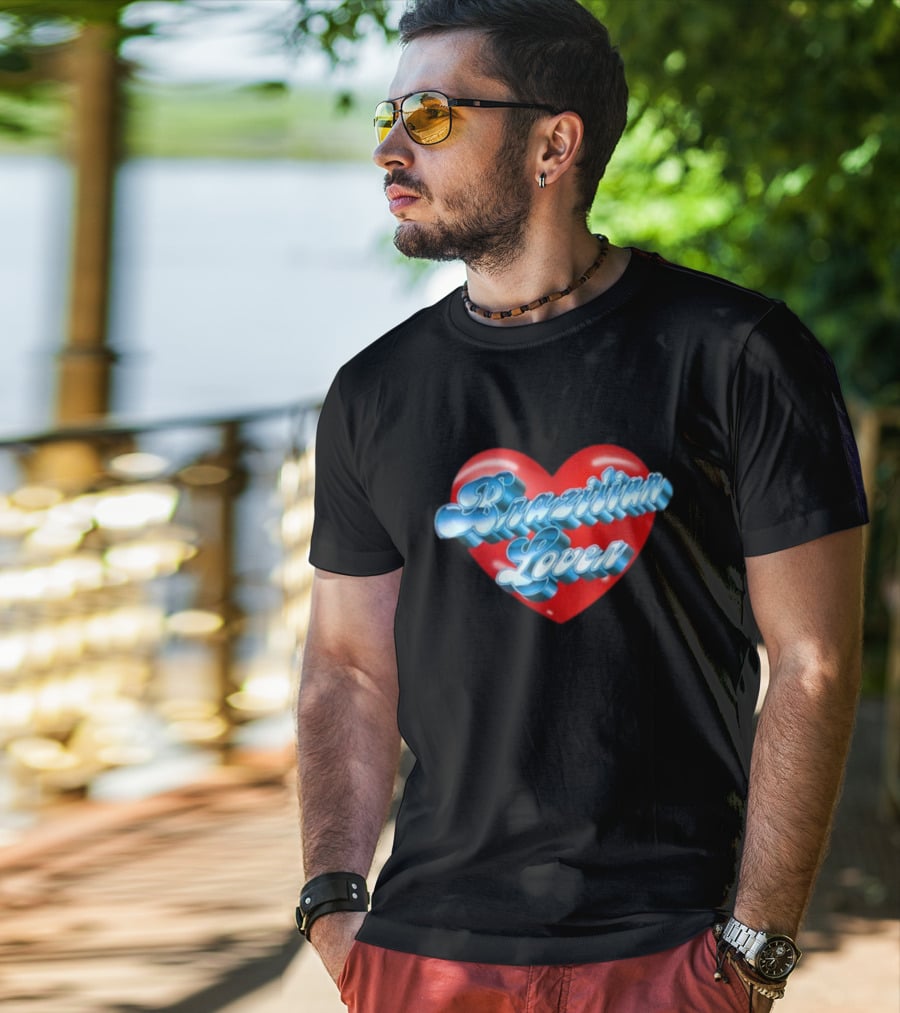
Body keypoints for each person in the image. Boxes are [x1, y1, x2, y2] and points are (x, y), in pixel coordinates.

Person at [295, 2, 869, 1010]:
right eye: (388, 117)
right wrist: (335, 906)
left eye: (430, 116)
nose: (389, 148)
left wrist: (755, 949)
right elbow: (346, 664)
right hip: (424, 954)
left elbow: (813, 661)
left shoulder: (737, 353)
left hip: (664, 949)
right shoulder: (375, 391)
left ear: (553, 145)